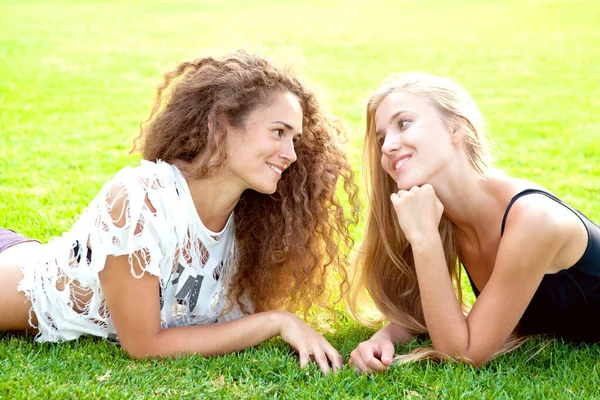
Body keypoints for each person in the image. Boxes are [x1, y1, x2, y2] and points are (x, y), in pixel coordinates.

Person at [0, 50, 359, 374]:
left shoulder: (253, 225)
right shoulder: (141, 198)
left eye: (294, 139)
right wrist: (277, 322)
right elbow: (144, 345)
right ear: (219, 126)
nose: (291, 154)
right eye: (278, 132)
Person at [348, 72, 600, 371]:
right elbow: (435, 311)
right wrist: (386, 336)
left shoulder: (534, 220)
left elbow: (464, 353)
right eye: (381, 138)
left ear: (457, 128)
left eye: (403, 123)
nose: (388, 145)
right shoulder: (442, 214)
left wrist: (424, 238)